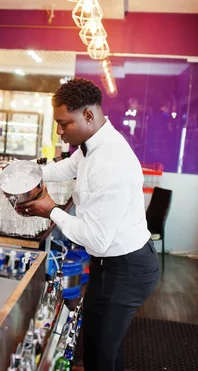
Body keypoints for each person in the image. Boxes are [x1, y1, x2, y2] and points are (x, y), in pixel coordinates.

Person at [18, 78, 160, 371]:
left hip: (127, 269)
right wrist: (27, 174)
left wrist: (51, 211)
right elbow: (65, 168)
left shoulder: (109, 162)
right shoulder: (92, 146)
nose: (59, 131)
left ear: (88, 115)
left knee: (99, 355)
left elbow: (96, 241)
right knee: (100, 345)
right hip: (111, 265)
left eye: (64, 123)